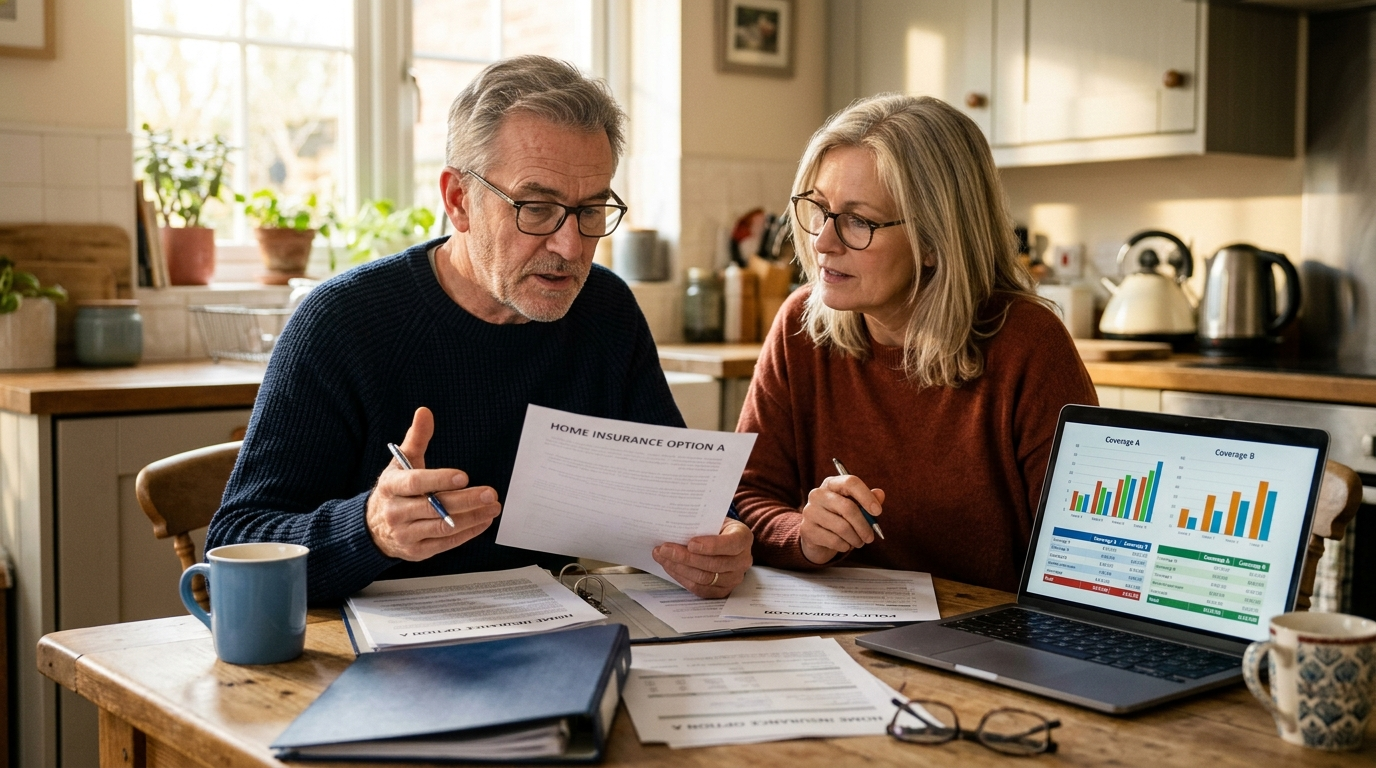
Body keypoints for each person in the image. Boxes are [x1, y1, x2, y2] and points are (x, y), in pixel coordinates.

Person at [207, 56, 751, 605]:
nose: (569, 247)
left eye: (590, 211)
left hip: (553, 637)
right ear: (458, 200)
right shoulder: (342, 323)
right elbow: (235, 541)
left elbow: (680, 501)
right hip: (371, 655)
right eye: (536, 208)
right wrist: (370, 530)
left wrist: (718, 543)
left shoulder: (604, 310)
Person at [734, 94, 1097, 592]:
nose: (822, 241)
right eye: (818, 209)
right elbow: (747, 499)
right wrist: (804, 535)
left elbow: (1081, 553)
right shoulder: (801, 325)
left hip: (983, 635)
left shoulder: (1027, 344)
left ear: (934, 240)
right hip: (837, 628)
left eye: (859, 221)